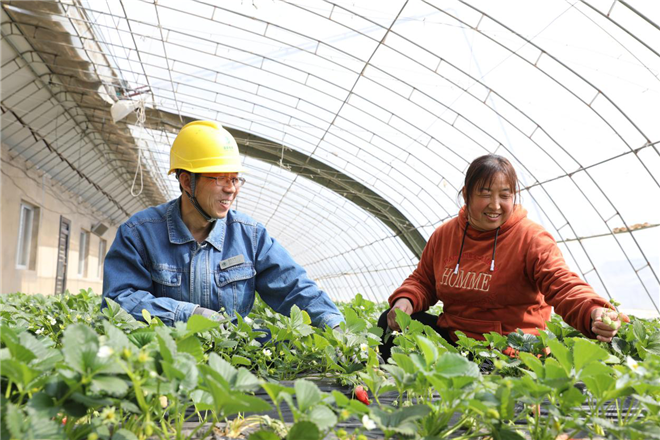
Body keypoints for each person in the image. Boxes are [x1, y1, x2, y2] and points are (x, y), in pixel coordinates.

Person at [378, 154, 628, 360]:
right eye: (485, 194)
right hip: (454, 342)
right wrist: (406, 301)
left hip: (511, 349)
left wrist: (592, 309)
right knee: (388, 320)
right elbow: (423, 280)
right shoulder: (445, 235)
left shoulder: (531, 238)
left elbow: (562, 284)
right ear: (467, 194)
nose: (495, 205)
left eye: (504, 195)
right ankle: (388, 387)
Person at [103, 120, 344, 333]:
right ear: (187, 181)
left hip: (230, 366)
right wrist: (190, 315)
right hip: (164, 365)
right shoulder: (139, 234)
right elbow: (119, 301)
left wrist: (334, 325)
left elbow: (293, 287)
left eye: (235, 178)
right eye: (220, 178)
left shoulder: (250, 236)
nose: (231, 188)